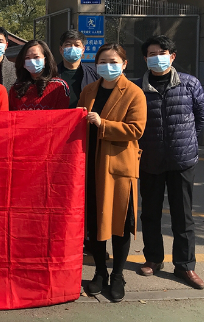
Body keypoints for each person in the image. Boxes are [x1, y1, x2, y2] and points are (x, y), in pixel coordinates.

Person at [135, 35, 204, 289]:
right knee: (150, 213)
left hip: (182, 160)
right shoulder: (137, 88)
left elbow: (201, 114)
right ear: (145, 59)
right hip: (150, 159)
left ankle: (185, 266)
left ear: (172, 56)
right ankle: (153, 259)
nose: (157, 58)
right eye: (152, 54)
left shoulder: (190, 83)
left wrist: (186, 141)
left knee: (183, 216)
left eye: (162, 53)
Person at [77, 44, 147, 302]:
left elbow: (136, 129)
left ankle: (117, 275)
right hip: (92, 165)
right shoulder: (89, 90)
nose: (108, 66)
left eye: (113, 61)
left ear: (124, 64)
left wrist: (102, 123)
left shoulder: (134, 93)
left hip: (118, 168)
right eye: (103, 61)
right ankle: (100, 272)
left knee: (119, 224)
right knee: (96, 222)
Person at [9, 40, 70, 110]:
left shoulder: (59, 86)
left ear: (45, 60)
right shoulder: (16, 88)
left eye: (36, 57)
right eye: (27, 58)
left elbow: (63, 114)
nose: (32, 61)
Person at [56, 30, 99, 108]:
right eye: (68, 45)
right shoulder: (51, 74)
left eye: (77, 45)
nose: (73, 48)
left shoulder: (94, 74)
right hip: (59, 115)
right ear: (61, 49)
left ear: (83, 50)